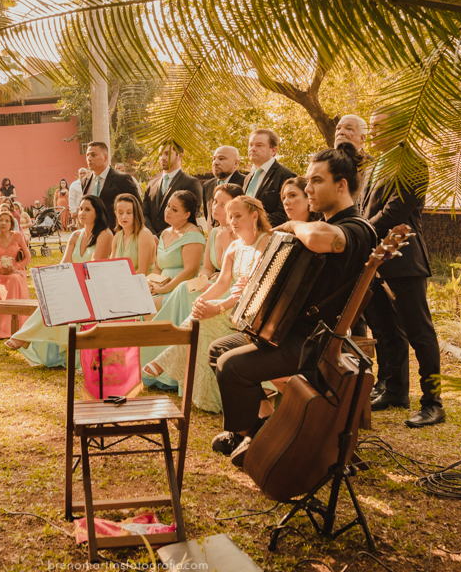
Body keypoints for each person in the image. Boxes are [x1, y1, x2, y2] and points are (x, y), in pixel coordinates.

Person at [209, 144, 377, 468]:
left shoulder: (357, 229)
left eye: (317, 181)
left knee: (233, 367)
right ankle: (255, 432)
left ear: (341, 185)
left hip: (313, 341)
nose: (309, 188)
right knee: (219, 350)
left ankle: (260, 442)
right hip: (285, 332)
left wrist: (291, 226)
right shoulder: (324, 223)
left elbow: (319, 238)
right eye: (308, 181)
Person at [145, 196, 273, 412]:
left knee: (206, 320)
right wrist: (201, 300)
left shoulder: (265, 242)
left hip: (256, 310)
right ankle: (210, 394)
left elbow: (255, 289)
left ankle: (165, 359)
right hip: (236, 302)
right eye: (230, 216)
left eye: (238, 216)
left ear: (254, 216)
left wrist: (219, 307)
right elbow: (223, 282)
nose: (232, 221)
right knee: (200, 314)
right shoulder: (234, 246)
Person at [357, 114, 443, 428]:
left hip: (404, 260)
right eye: (372, 125)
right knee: (383, 331)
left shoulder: (413, 163)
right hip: (374, 260)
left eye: (379, 125)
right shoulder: (372, 165)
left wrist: (359, 232)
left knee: (419, 333)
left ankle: (433, 402)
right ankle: (393, 390)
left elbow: (396, 210)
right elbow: (365, 207)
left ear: (399, 127)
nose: (373, 131)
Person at [6, 195, 115, 366]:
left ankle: (26, 335)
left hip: (94, 286)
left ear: (98, 212)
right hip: (74, 284)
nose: (82, 213)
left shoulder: (105, 234)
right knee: (55, 296)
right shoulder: (75, 235)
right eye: (80, 209)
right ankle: (27, 336)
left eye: (88, 209)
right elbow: (63, 265)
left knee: (64, 298)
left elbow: (94, 267)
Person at [141, 189, 206, 389]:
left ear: (187, 214)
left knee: (148, 307)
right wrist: (151, 282)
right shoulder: (165, 233)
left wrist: (165, 288)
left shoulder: (192, 234)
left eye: (174, 209)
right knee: (138, 303)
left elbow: (190, 270)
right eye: (168, 206)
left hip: (182, 287)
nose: (168, 211)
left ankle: (164, 368)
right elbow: (158, 266)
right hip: (163, 285)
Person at [142, 141, 204, 235]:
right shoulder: (151, 184)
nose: (162, 158)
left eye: (167, 154)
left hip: (177, 239)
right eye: (160, 154)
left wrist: (162, 236)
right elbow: (144, 213)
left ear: (180, 156)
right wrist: (152, 235)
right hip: (151, 241)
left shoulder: (191, 183)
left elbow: (192, 214)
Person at [0, 211, 30, 339]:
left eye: (6, 221)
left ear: (11, 224)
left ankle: (17, 325)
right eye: (1, 220)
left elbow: (27, 257)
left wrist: (15, 267)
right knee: (12, 279)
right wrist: (3, 270)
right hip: (0, 273)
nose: (3, 223)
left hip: (17, 270)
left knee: (15, 279)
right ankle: (5, 329)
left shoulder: (17, 236)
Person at [241, 128, 296, 228]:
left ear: (273, 150)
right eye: (250, 145)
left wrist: (251, 223)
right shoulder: (248, 178)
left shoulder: (286, 175)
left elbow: (285, 214)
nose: (252, 148)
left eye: (259, 145)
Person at [81, 141, 139, 214]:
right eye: (87, 155)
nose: (89, 158)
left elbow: (137, 207)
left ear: (105, 157)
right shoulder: (85, 180)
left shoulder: (122, 179)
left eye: (93, 155)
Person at [111, 193, 156, 274]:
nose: (124, 216)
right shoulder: (117, 236)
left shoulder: (144, 234)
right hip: (120, 282)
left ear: (136, 213)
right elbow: (111, 266)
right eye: (120, 213)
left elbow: (143, 272)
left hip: (142, 283)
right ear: (115, 214)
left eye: (129, 212)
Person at [203, 145, 246, 224]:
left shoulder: (246, 183)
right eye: (214, 159)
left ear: (236, 163)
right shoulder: (207, 185)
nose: (215, 163)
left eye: (221, 159)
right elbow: (208, 217)